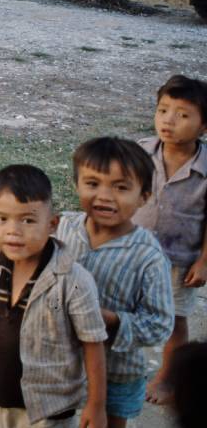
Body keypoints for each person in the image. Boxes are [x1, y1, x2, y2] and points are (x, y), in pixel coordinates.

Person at [0, 165, 108, 428]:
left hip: (49, 408)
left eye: (27, 220)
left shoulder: (73, 280)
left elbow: (93, 344)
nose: (13, 230)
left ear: (52, 224)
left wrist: (96, 405)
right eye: (2, 219)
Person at [56, 137, 174, 428]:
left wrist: (112, 320)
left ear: (144, 196)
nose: (105, 196)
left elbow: (160, 324)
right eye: (93, 184)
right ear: (76, 185)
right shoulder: (61, 228)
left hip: (116, 371)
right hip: (61, 363)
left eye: (121, 187)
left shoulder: (148, 255)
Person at [133, 75, 207, 405]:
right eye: (163, 110)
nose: (169, 120)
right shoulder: (137, 152)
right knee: (119, 309)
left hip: (179, 259)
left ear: (204, 126)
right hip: (132, 252)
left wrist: (204, 260)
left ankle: (166, 379)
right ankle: (116, 368)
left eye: (183, 114)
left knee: (174, 322)